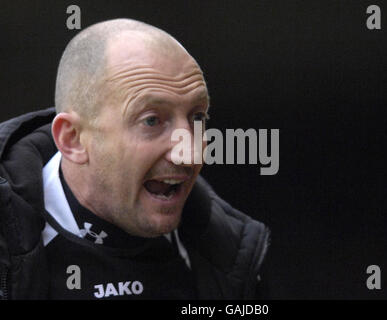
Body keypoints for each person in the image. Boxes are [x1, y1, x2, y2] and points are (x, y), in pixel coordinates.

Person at [0, 18, 270, 300]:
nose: (189, 152)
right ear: (73, 139)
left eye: (197, 117)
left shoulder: (231, 252)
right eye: (151, 120)